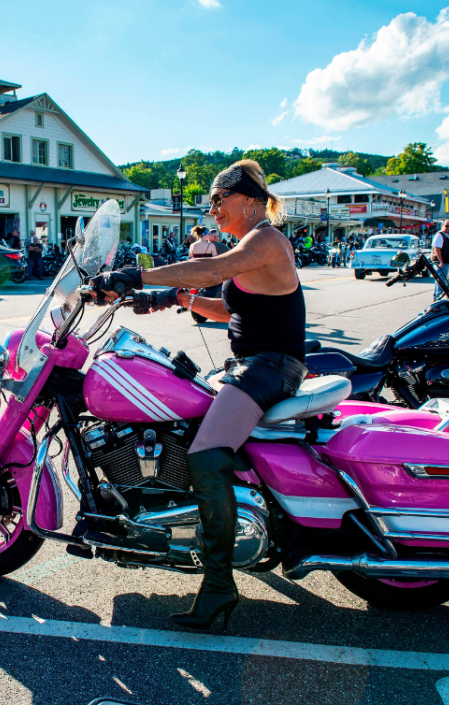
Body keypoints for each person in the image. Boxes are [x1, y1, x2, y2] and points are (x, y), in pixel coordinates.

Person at [90, 160, 305, 631]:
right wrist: (174, 299)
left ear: (248, 200)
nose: (212, 210)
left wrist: (136, 276)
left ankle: (218, 587)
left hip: (271, 366)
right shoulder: (251, 245)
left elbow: (212, 270)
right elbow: (225, 307)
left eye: (217, 199)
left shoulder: (266, 239)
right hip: (253, 364)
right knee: (186, 428)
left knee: (207, 456)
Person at [432, 221, 449, 299]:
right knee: (441, 281)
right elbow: (437, 249)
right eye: (446, 226)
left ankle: (437, 297)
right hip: (441, 263)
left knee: (441, 281)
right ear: (442, 226)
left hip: (446, 261)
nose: (448, 228)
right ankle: (438, 297)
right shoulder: (440, 235)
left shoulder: (446, 236)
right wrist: (441, 261)